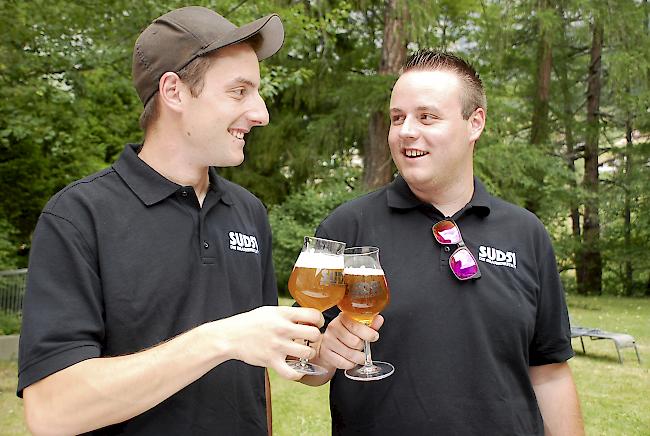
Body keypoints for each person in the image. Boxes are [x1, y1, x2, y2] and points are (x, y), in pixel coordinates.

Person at [17, 6, 323, 435]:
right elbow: (52, 411)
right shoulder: (78, 216)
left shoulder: (248, 211)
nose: (261, 113)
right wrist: (219, 339)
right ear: (174, 91)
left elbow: (262, 375)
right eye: (239, 91)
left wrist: (326, 353)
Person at [302, 50, 584, 435]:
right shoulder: (345, 226)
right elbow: (305, 364)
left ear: (475, 123)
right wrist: (324, 351)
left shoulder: (526, 233)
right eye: (397, 117)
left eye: (427, 116)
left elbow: (550, 371)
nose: (405, 131)